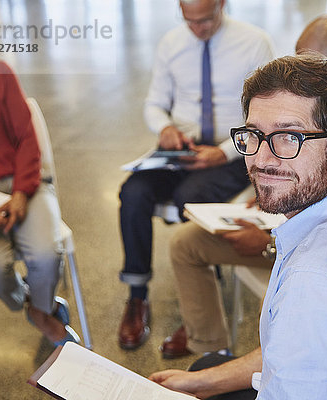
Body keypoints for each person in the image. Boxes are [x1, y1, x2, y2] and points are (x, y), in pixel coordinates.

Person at [149, 53, 327, 399]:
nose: (262, 160)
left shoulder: (314, 287)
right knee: (203, 371)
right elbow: (299, 355)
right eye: (254, 135)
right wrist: (202, 384)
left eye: (289, 137)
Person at [117, 0, 274, 350]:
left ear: (222, 4)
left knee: (191, 196)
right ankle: (137, 294)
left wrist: (224, 151)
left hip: (234, 149)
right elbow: (155, 103)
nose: (197, 29)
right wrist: (166, 127)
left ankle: (204, 309)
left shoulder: (254, 43)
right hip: (183, 147)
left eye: (204, 20)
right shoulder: (172, 43)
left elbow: (266, 115)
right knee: (133, 193)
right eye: (189, 20)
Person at [0, 53, 79, 346]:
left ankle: (42, 312)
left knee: (46, 254)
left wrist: (21, 191)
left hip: (22, 181)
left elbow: (27, 137)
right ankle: (28, 298)